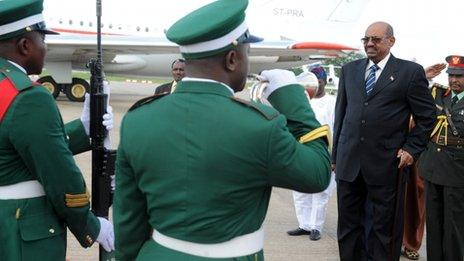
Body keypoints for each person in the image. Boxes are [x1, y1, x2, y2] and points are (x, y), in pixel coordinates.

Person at [113, 0, 331, 260]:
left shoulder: (138, 118)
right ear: (232, 59)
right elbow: (317, 175)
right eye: (247, 54)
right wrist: (293, 100)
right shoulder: (261, 125)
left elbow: (128, 218)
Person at [0, 1, 115, 260]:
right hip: (20, 230)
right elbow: (59, 173)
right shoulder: (29, 97)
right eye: (42, 38)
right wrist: (91, 225)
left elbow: (17, 146)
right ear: (24, 45)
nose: (46, 47)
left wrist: (83, 129)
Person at [333, 21, 436, 261]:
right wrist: (335, 155)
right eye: (366, 39)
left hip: (386, 165)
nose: (369, 43)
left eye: (376, 39)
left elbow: (427, 116)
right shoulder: (349, 70)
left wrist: (412, 148)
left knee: (382, 231)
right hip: (349, 165)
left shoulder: (409, 72)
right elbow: (342, 115)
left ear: (391, 41)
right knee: (348, 229)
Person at [418, 55, 464, 261]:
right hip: (433, 167)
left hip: (458, 170)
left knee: (454, 225)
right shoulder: (437, 93)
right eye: (452, 75)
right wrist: (423, 76)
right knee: (434, 222)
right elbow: (412, 96)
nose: (454, 80)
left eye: (460, 76)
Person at [401, 62, 446, 260]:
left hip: (421, 155)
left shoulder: (439, 95)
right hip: (396, 150)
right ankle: (393, 240)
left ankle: (411, 242)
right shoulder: (402, 86)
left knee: (416, 202)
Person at [288, 67, 336, 241]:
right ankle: (304, 224)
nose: (315, 86)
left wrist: (334, 156)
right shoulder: (302, 100)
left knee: (321, 192)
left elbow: (338, 129)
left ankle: (316, 227)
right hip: (301, 151)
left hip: (324, 153)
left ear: (323, 82)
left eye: (318, 82)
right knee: (299, 190)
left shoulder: (333, 102)